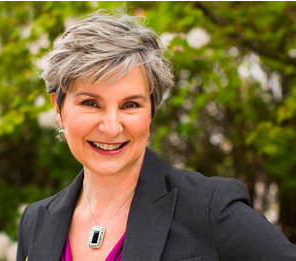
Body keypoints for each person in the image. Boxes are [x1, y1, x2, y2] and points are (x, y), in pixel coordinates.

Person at [17, 9, 296, 261]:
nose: (112, 126)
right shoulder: (35, 221)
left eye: (130, 105)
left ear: (151, 110)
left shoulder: (208, 208)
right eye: (90, 103)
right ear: (58, 108)